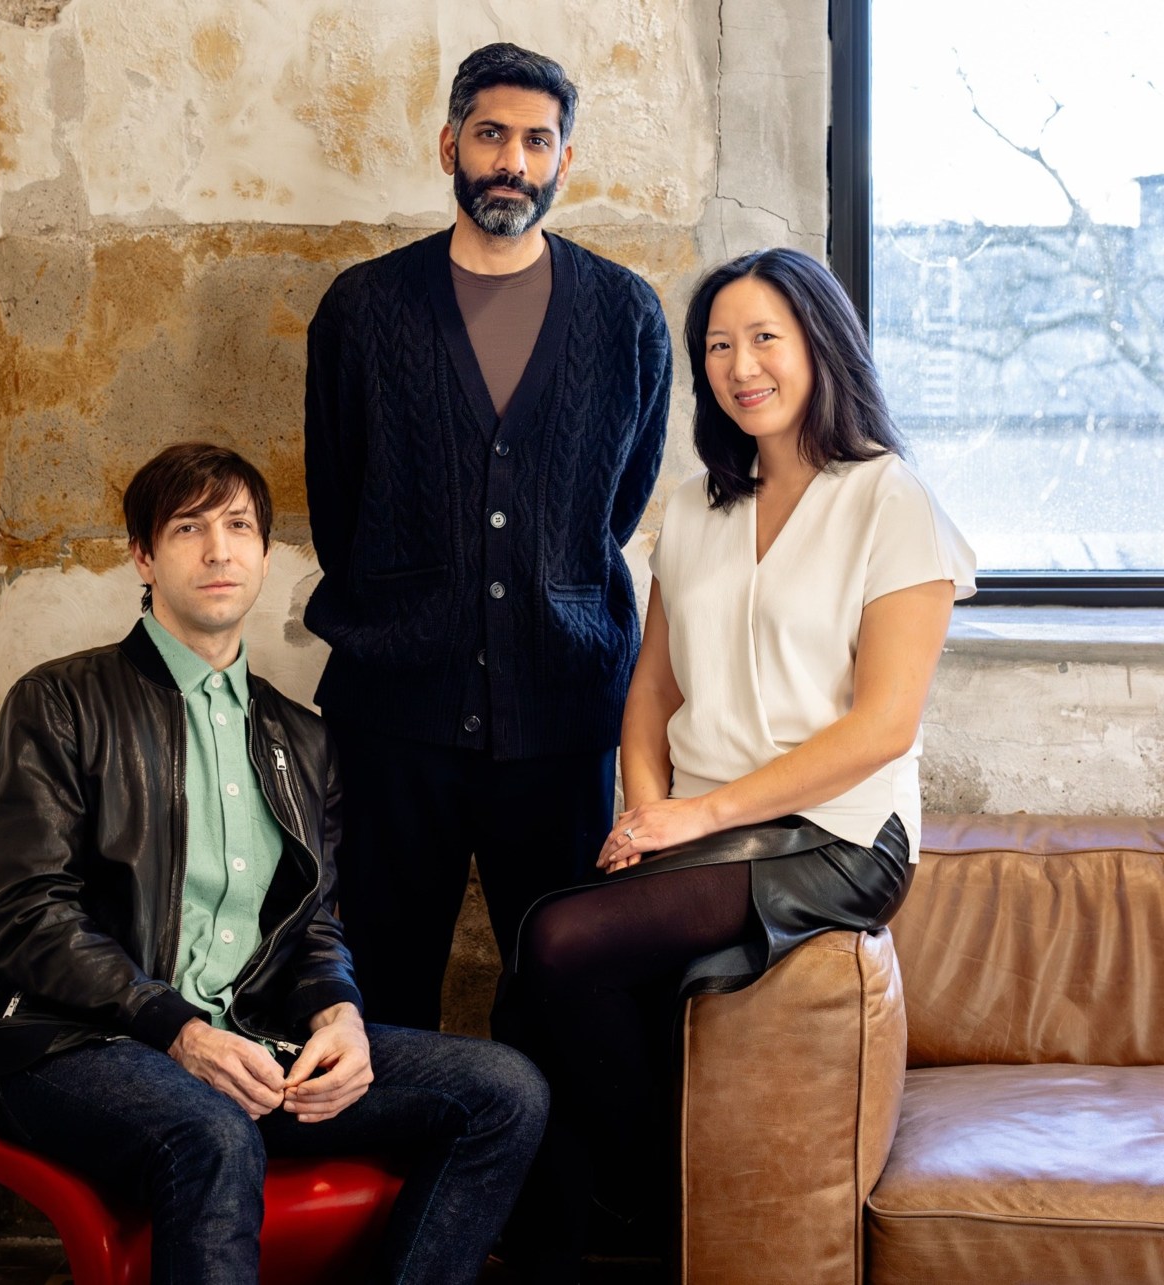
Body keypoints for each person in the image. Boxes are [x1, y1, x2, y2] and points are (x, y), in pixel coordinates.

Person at [0, 442, 548, 1285]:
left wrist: (341, 1016)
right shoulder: (59, 701)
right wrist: (177, 1029)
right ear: (143, 556)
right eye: (188, 527)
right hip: (77, 1045)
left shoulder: (301, 737)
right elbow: (27, 914)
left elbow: (313, 922)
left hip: (251, 1044)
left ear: (265, 556)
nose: (219, 550)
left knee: (507, 1092)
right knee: (213, 1132)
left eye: (239, 526)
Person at [508, 248, 976, 1279]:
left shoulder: (890, 500)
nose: (741, 365)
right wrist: (643, 813)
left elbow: (882, 726)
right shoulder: (697, 506)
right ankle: (576, 1247)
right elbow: (651, 693)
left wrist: (695, 818)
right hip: (703, 827)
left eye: (766, 337)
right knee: (534, 989)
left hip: (840, 833)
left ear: (821, 345)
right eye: (719, 345)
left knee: (557, 939)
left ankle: (650, 1196)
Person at [304, 42, 671, 1032]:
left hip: (562, 714)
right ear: (449, 146)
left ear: (565, 160)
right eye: (491, 134)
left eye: (537, 141)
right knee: (381, 982)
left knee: (571, 990)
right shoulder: (363, 311)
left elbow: (616, 504)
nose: (513, 160)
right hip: (396, 715)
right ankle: (396, 1145)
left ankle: (549, 1148)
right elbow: (338, 505)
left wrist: (541, 580)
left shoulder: (626, 316)